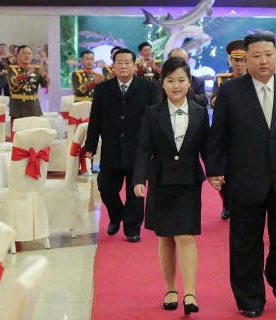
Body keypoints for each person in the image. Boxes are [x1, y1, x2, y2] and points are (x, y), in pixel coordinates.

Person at [206, 33, 276, 318]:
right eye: (255, 55)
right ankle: (250, 299)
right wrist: (214, 170)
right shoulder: (230, 91)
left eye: (268, 54)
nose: (263, 60)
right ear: (245, 58)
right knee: (245, 242)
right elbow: (219, 134)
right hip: (244, 178)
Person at [133, 57, 210, 316]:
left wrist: (217, 174)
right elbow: (144, 148)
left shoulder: (200, 112)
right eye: (170, 81)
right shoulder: (152, 113)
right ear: (162, 84)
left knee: (186, 236)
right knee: (166, 236)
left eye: (181, 80)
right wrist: (138, 179)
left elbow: (207, 148)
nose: (176, 86)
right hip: (161, 180)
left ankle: (190, 293)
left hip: (189, 180)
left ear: (189, 83)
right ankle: (170, 289)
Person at [85, 48, 157, 243]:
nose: (123, 66)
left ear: (135, 65)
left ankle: (132, 228)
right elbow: (95, 120)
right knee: (105, 186)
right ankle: (117, 216)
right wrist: (90, 146)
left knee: (136, 191)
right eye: (119, 62)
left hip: (139, 149)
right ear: (113, 65)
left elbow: (155, 119)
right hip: (112, 148)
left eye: (127, 62)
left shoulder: (149, 88)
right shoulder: (103, 89)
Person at [210, 39, 248, 220]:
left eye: (242, 60)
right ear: (230, 61)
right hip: (227, 132)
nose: (239, 64)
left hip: (247, 133)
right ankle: (226, 202)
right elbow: (213, 102)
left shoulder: (254, 80)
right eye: (236, 60)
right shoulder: (222, 80)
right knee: (224, 173)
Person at [6, 45, 49, 119]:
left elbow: (45, 85)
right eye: (24, 53)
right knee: (18, 130)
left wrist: (44, 75)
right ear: (18, 55)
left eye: (29, 53)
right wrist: (27, 74)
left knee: (34, 130)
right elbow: (14, 82)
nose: (27, 56)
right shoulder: (12, 69)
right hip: (18, 108)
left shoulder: (36, 69)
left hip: (34, 108)